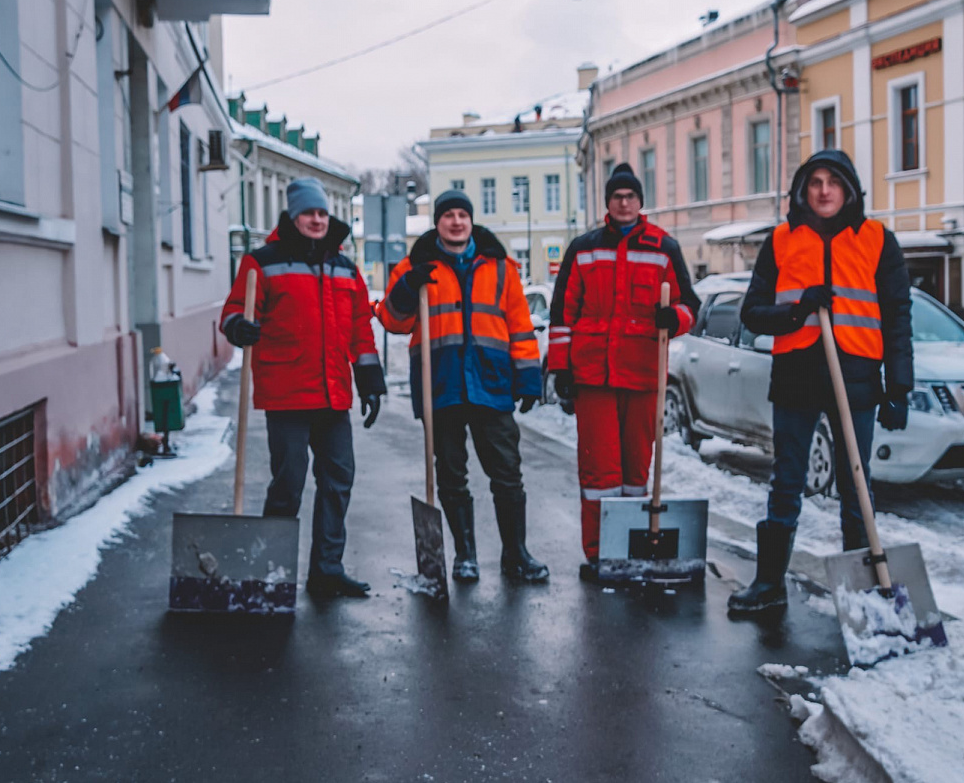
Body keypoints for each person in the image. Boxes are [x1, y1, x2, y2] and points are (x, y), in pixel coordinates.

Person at [727, 149, 913, 615]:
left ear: (848, 190)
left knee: (855, 483)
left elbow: (897, 317)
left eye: (833, 182)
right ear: (802, 190)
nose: (824, 190)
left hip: (856, 378)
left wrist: (899, 387)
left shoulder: (876, 240)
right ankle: (769, 584)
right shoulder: (783, 239)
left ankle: (863, 595)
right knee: (787, 480)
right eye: (815, 182)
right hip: (796, 375)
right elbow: (752, 313)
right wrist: (797, 309)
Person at [219, 177, 386, 599]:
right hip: (287, 393)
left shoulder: (345, 268)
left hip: (333, 395)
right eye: (309, 213)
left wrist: (369, 380)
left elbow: (359, 329)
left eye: (322, 213)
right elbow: (236, 308)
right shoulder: (263, 262)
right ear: (294, 216)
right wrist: (238, 325)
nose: (317, 219)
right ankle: (271, 572)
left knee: (338, 480)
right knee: (288, 483)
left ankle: (327, 568)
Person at [375, 189, 549, 583]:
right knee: (451, 475)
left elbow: (520, 326)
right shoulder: (413, 266)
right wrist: (407, 288)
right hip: (442, 385)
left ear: (471, 221)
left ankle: (516, 554)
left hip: (492, 383)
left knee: (507, 473)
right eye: (448, 215)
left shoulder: (501, 267)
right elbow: (391, 320)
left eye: (462, 215)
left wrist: (528, 378)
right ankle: (464, 556)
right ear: (437, 222)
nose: (456, 221)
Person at [547, 163, 699, 580]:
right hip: (593, 376)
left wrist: (675, 318)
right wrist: (561, 368)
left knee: (636, 470)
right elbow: (562, 314)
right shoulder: (583, 249)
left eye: (631, 196)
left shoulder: (664, 248)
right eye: (617, 196)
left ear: (640, 203)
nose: (624, 202)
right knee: (599, 471)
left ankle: (633, 546)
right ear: (608, 204)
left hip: (641, 374)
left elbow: (691, 306)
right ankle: (599, 554)